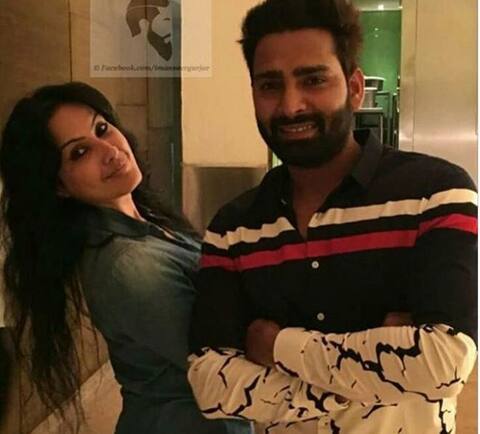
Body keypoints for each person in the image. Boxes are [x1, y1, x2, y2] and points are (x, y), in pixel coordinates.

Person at [187, 0, 478, 433]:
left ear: (355, 87)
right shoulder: (234, 227)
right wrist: (380, 379)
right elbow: (210, 384)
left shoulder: (435, 194)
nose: (290, 106)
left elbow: (445, 364)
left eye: (313, 80)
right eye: (270, 85)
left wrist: (277, 346)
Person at [0, 82, 250, 434]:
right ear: (58, 185)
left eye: (102, 128)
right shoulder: (130, 266)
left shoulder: (147, 223)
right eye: (79, 152)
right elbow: (224, 364)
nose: (110, 151)